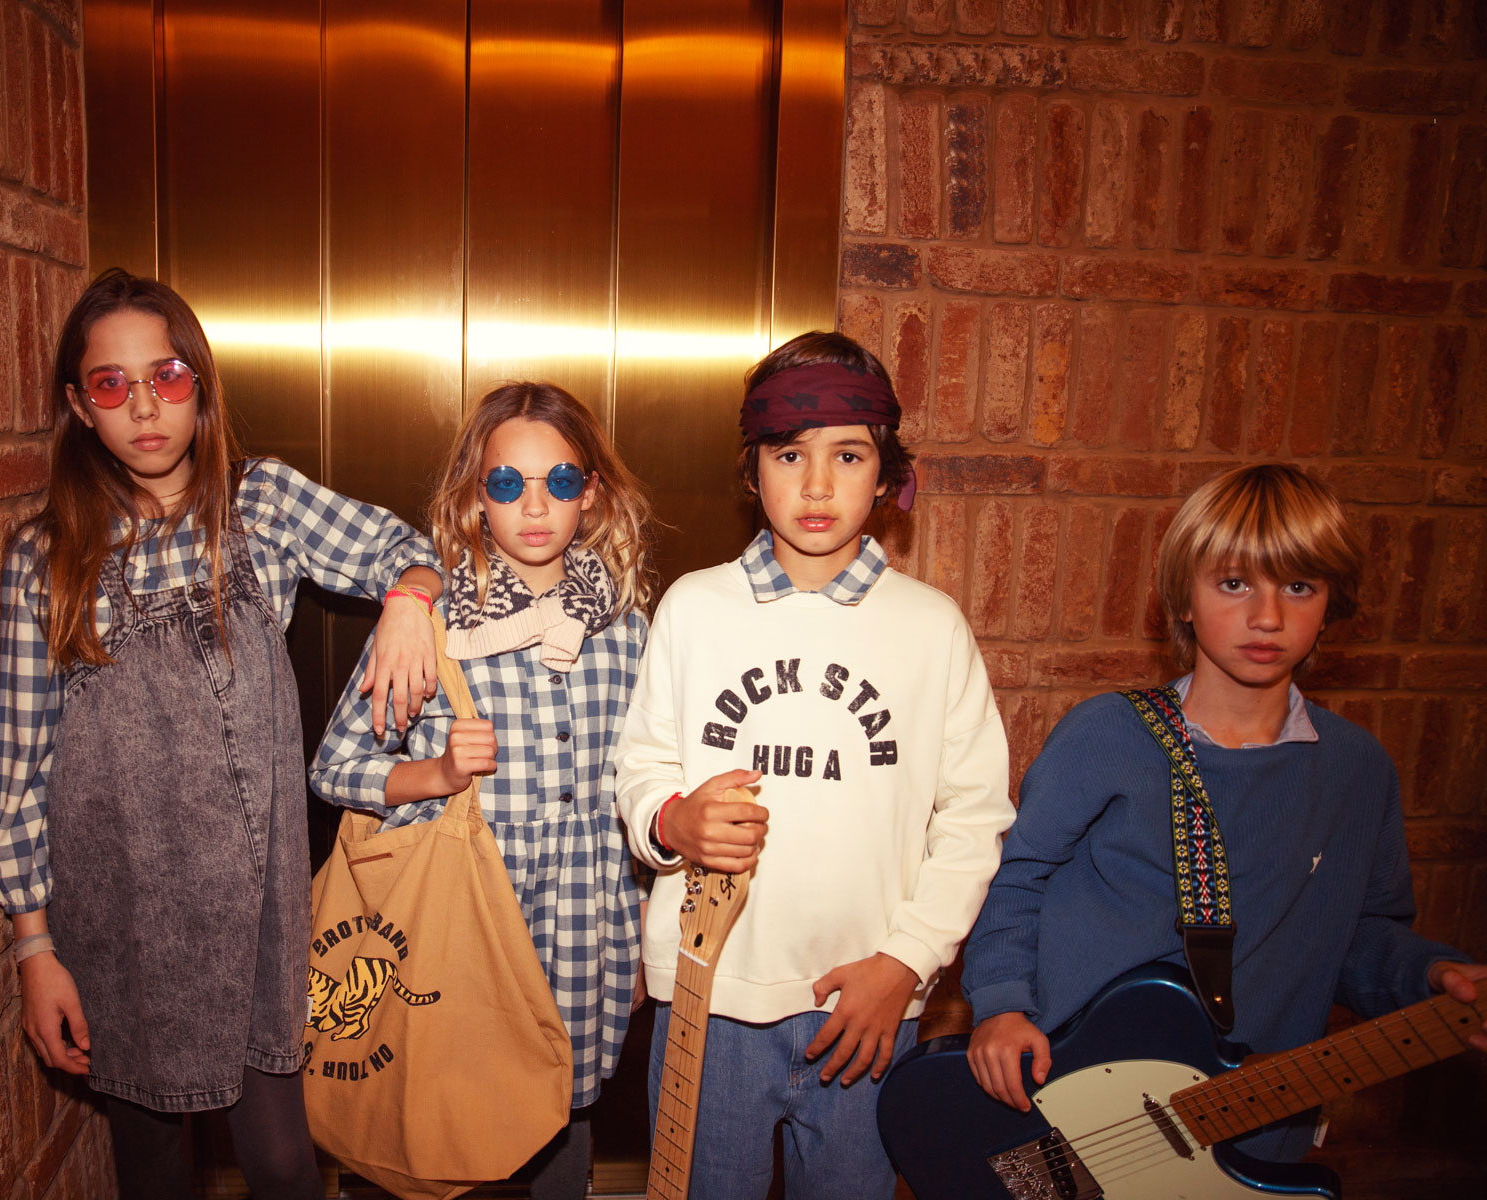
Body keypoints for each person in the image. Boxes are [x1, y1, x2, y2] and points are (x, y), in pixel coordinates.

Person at [0, 268, 445, 1200]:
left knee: (281, 1163)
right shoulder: (45, 557)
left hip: (256, 912)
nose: (143, 406)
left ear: (200, 385)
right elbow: (23, 768)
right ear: (79, 407)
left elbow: (406, 548)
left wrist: (408, 600)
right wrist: (35, 949)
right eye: (111, 384)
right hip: (121, 917)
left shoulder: (261, 505)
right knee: (153, 1166)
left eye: (166, 376)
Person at [962, 462, 1487, 1163]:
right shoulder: (1105, 735)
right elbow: (1015, 879)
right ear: (1183, 598)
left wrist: (1430, 974)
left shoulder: (1358, 771)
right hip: (1073, 1106)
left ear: (1332, 602)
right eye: (1234, 584)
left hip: (1253, 1127)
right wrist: (1001, 1004)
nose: (1267, 617)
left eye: (1299, 586)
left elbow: (1357, 936)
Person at [611, 331, 1016, 1200]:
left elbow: (975, 816)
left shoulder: (930, 627)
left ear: (887, 475)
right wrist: (671, 820)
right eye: (790, 454)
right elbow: (641, 764)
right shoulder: (695, 608)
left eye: (848, 455)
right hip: (712, 996)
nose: (819, 484)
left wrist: (907, 963)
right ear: (753, 471)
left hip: (866, 1007)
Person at [311, 381, 655, 1200]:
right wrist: (436, 774)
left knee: (562, 1121)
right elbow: (333, 766)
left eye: (559, 481)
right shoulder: (428, 627)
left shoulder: (627, 630)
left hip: (581, 931)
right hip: (459, 928)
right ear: (475, 496)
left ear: (591, 493)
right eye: (507, 483)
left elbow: (638, 789)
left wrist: (643, 921)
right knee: (443, 1122)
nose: (534, 506)